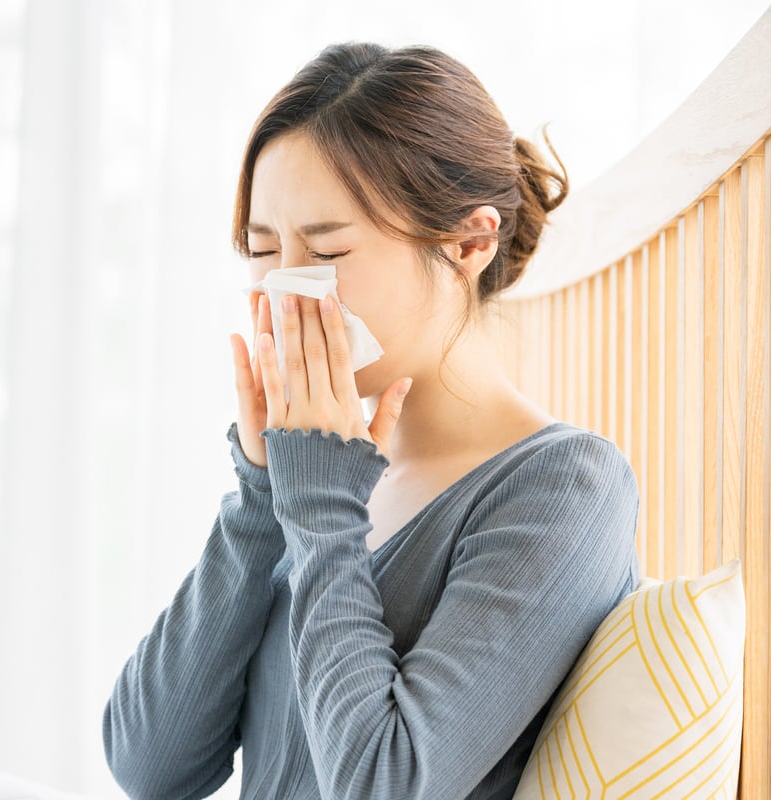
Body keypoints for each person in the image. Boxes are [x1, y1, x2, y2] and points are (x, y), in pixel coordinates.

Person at [102, 42, 639, 799]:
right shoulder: (326, 467)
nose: (287, 290)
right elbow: (149, 766)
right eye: (262, 250)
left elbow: (384, 785)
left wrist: (321, 505)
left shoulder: (565, 488)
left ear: (469, 242)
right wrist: (262, 495)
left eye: (326, 250)